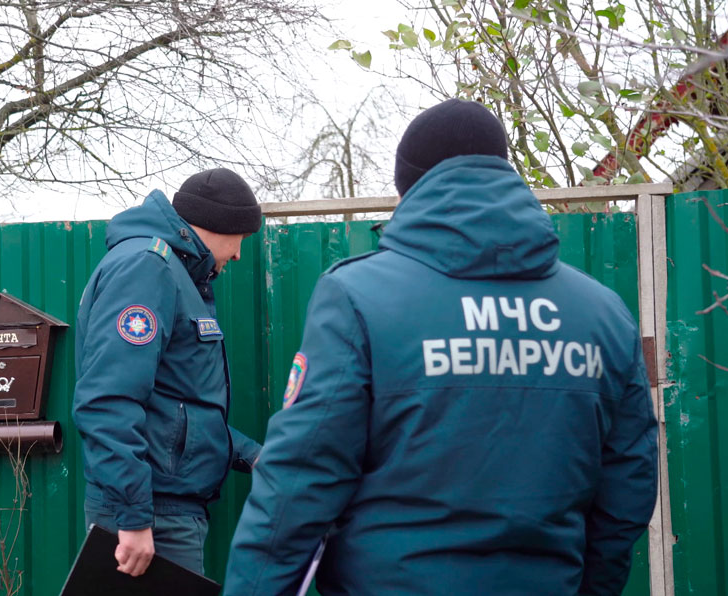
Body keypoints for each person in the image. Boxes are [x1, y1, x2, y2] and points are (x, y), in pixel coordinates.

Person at [223, 99, 658, 595]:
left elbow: (297, 487)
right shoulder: (602, 313)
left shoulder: (359, 296)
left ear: (408, 187)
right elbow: (628, 490)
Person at [73, 167, 263, 578]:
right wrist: (134, 518)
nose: (239, 254)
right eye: (241, 239)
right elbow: (108, 401)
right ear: (219, 225)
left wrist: (252, 456)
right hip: (151, 515)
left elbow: (175, 409)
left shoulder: (172, 272)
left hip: (160, 509)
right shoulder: (148, 268)